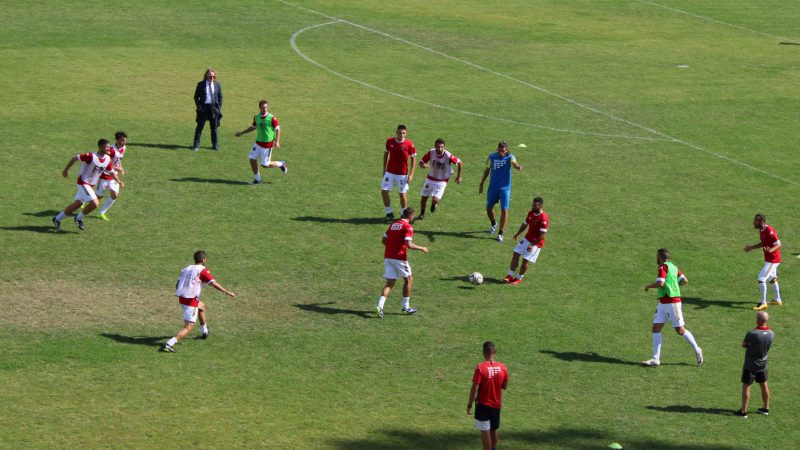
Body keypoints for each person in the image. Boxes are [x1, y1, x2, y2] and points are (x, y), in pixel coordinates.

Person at [163, 250, 235, 352]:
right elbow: (213, 283)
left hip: (182, 299)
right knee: (188, 327)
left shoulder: (185, 269)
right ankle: (170, 343)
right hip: (190, 301)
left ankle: (204, 331)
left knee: (201, 306)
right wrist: (227, 292)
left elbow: (177, 285)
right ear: (204, 259)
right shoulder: (202, 270)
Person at [642, 248, 703, 367]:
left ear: (660, 256)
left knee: (680, 330)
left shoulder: (663, 267)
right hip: (663, 303)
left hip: (672, 303)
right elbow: (684, 280)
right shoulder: (674, 267)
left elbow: (660, 283)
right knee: (656, 327)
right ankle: (655, 359)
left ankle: (697, 349)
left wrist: (648, 286)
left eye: (657, 256)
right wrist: (673, 286)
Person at [52, 139, 123, 231]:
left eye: (109, 147)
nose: (109, 149)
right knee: (95, 203)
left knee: (77, 205)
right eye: (107, 147)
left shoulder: (108, 159)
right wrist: (66, 170)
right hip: (83, 183)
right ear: (100, 147)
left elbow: (111, 172)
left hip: (90, 185)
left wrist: (119, 181)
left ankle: (57, 219)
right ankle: (78, 218)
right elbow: (74, 158)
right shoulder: (91, 156)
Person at [376, 207, 428, 318]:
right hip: (399, 258)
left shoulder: (393, 224)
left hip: (388, 257)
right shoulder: (408, 226)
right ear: (411, 216)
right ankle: (406, 307)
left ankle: (380, 306)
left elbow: (383, 240)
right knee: (408, 279)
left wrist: (392, 248)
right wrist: (422, 248)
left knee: (390, 283)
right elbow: (409, 245)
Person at [467, 341, 509, 450]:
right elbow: (504, 386)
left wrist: (469, 404)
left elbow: (474, 388)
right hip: (496, 404)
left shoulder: (480, 368)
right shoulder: (503, 367)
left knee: (485, 431)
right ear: (494, 352)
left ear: (483, 353)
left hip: (483, 404)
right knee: (494, 429)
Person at [478, 141, 522, 243]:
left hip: (505, 188)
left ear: (506, 150)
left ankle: (500, 233)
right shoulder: (491, 157)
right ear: (497, 149)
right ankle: (494, 224)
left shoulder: (510, 157)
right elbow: (487, 170)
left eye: (503, 150)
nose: (501, 152)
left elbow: (514, 163)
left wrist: (517, 166)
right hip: (493, 187)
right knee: (489, 208)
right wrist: (481, 183)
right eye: (500, 150)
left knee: (504, 210)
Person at [235, 99, 286, 184]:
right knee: (252, 159)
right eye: (263, 107)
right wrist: (242, 133)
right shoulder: (256, 117)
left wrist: (277, 141)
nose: (265, 109)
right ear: (259, 107)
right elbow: (253, 127)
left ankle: (281, 164)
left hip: (268, 145)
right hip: (258, 143)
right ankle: (257, 179)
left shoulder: (272, 117)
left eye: (266, 107)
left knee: (265, 165)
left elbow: (278, 129)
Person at [504, 196, 549, 285]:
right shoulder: (531, 213)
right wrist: (517, 234)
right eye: (533, 205)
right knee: (516, 253)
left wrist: (532, 244)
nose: (533, 207)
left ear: (540, 206)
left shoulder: (543, 218)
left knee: (525, 260)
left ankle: (518, 278)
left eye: (535, 206)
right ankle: (510, 275)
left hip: (536, 243)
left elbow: (542, 235)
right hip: (527, 238)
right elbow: (525, 224)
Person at [737, 311, 773, 418]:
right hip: (763, 364)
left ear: (758, 320)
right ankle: (766, 408)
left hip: (750, 365)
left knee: (746, 387)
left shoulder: (752, 333)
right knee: (764, 385)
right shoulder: (771, 333)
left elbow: (744, 344)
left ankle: (743, 411)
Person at [416, 138, 462, 221]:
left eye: (441, 147)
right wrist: (423, 165)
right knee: (424, 198)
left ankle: (434, 204)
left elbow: (460, 162)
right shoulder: (431, 152)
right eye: (438, 147)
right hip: (430, 178)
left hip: (442, 180)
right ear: (435, 146)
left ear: (444, 147)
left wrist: (459, 176)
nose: (439, 149)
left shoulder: (448, 155)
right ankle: (422, 214)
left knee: (435, 200)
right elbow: (421, 162)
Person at [744, 214, 782, 311]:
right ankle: (778, 300)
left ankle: (763, 303)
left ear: (761, 222)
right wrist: (752, 247)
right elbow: (763, 243)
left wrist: (771, 250)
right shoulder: (762, 230)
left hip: (772, 260)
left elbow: (778, 244)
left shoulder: (769, 230)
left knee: (761, 278)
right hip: (770, 259)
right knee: (771, 279)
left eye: (755, 221)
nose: (753, 222)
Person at [381, 124, 416, 221]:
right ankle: (389, 213)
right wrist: (384, 169)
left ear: (406, 134)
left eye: (403, 133)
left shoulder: (409, 144)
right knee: (384, 191)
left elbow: (413, 160)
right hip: (390, 172)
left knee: (402, 194)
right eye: (400, 133)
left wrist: (411, 174)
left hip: (402, 174)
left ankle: (403, 214)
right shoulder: (390, 141)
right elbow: (386, 153)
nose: (401, 135)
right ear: (396, 132)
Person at [96, 131, 128, 221]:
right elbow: (105, 163)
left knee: (114, 195)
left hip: (114, 176)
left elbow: (118, 159)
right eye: (122, 140)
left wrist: (121, 168)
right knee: (98, 197)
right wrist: (117, 168)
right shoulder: (111, 150)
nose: (124, 142)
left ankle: (101, 213)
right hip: (105, 175)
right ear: (117, 140)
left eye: (125, 140)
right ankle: (83, 199)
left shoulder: (123, 148)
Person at [192, 68, 222, 151]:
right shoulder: (201, 84)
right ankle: (196, 145)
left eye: (213, 76)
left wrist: (218, 108)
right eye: (210, 76)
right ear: (206, 76)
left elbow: (220, 97)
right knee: (199, 127)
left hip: (213, 108)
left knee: (214, 128)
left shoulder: (217, 84)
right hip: (204, 108)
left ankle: (215, 144)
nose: (211, 78)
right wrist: (199, 107)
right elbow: (195, 97)